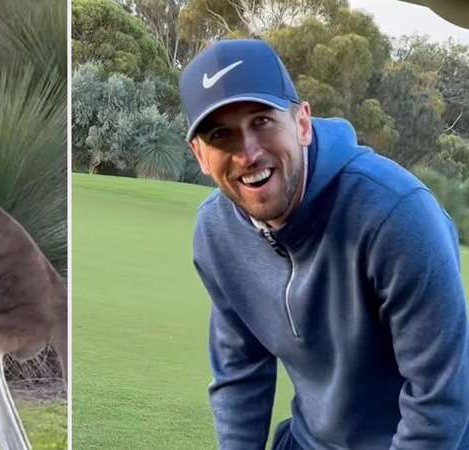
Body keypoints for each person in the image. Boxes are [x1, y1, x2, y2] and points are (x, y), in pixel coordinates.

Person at [180, 39, 469, 449]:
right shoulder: (216, 233)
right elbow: (239, 373)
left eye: (262, 121)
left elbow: (438, 398)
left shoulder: (396, 214)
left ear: (301, 123)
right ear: (200, 155)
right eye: (221, 134)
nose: (247, 153)